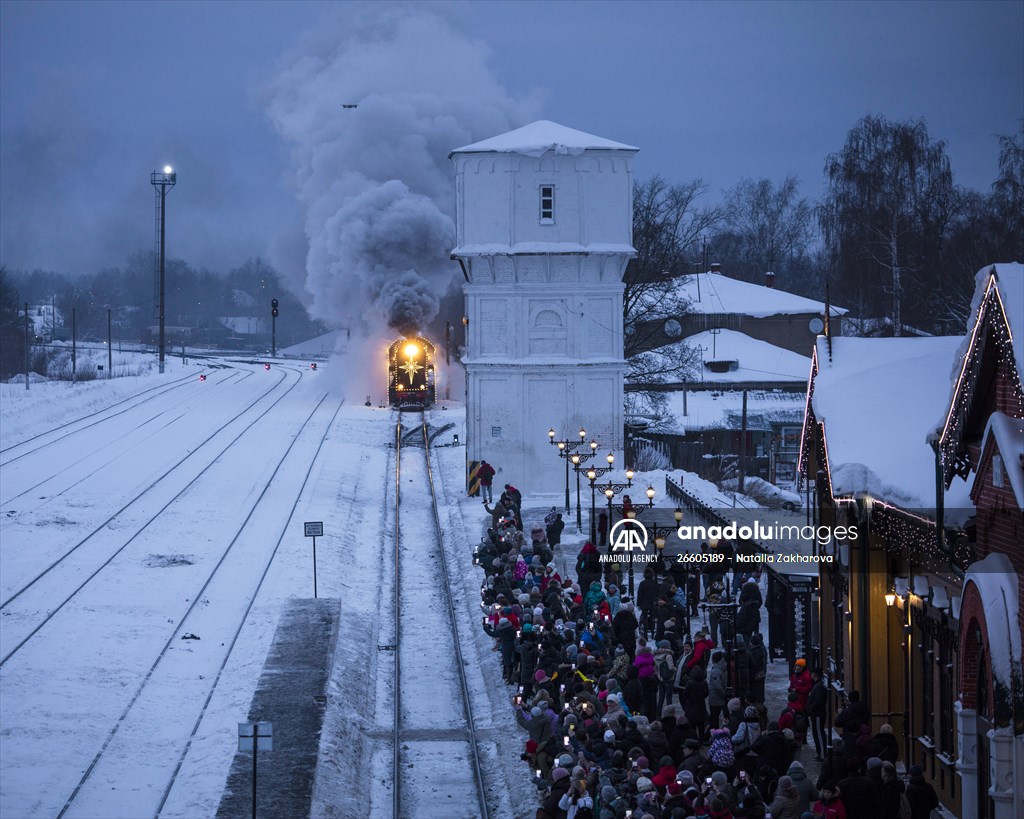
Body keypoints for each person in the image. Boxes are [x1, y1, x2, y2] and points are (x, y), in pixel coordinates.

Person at [806, 668, 828, 759]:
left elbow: (819, 701)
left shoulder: (818, 687)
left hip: (818, 714)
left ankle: (822, 754)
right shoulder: (817, 685)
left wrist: (811, 708)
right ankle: (820, 753)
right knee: (816, 733)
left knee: (819, 733)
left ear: (815, 675)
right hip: (816, 714)